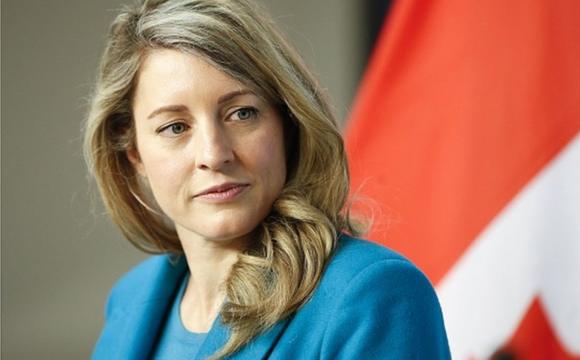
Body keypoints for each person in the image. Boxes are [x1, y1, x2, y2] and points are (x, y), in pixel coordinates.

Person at [84, 0, 451, 359]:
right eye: (175, 127)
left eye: (241, 113)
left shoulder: (373, 294)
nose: (214, 154)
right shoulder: (130, 299)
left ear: (286, 124)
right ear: (133, 152)